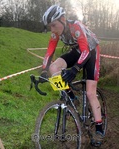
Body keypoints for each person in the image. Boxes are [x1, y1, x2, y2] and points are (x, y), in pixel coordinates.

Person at [40, 5, 104, 146]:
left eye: (54, 25)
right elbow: (50, 51)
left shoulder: (76, 27)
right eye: (50, 26)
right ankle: (72, 96)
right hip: (78, 50)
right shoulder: (56, 32)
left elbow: (86, 51)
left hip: (91, 52)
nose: (52, 29)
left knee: (90, 93)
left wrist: (74, 69)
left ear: (63, 19)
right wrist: (44, 71)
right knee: (54, 67)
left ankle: (99, 129)